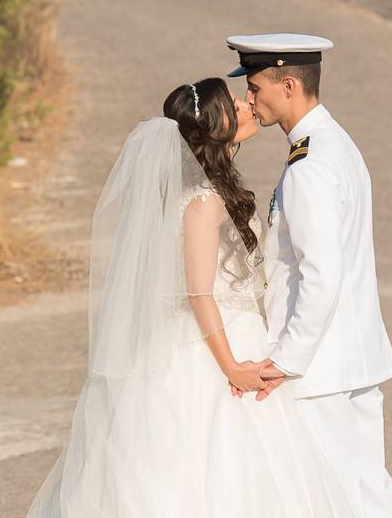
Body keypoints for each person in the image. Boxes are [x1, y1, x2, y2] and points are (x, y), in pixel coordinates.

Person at [26, 77, 352, 517]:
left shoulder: (218, 192)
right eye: (235, 104)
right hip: (211, 350)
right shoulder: (203, 201)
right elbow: (200, 293)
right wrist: (232, 367)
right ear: (217, 124)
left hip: (240, 334)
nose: (246, 106)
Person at [227, 33, 392, 517]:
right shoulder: (337, 144)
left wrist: (287, 359)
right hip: (353, 354)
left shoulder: (309, 165)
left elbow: (320, 275)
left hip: (319, 364)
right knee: (369, 490)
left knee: (330, 496)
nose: (249, 99)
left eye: (255, 87)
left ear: (288, 85)